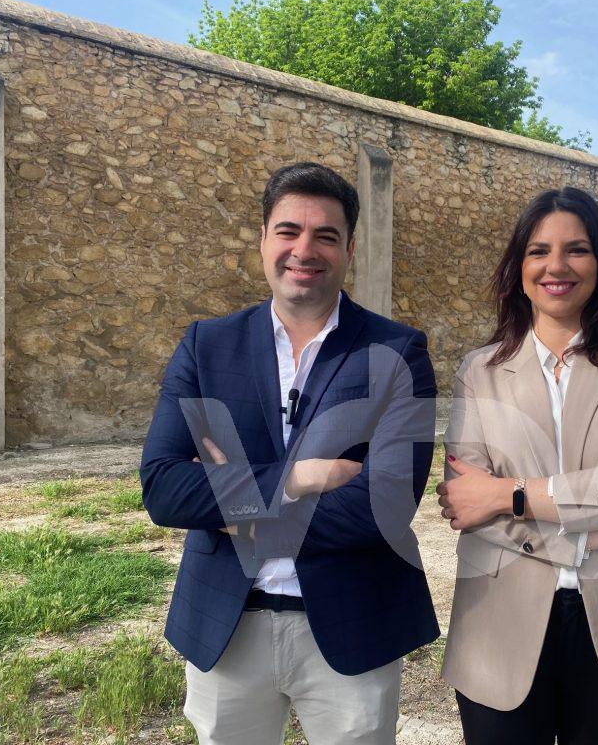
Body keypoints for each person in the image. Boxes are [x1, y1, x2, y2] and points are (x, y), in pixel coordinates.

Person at [140, 162, 439, 745]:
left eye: (325, 235)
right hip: (227, 623)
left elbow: (384, 506)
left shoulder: (397, 351)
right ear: (262, 239)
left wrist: (235, 510)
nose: (305, 250)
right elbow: (165, 488)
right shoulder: (206, 345)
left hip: (354, 623)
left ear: (349, 249)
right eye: (288, 231)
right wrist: (300, 477)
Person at [437, 187, 598, 744]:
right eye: (539, 251)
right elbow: (465, 501)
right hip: (499, 623)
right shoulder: (478, 373)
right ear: (519, 269)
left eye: (576, 249)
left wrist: (507, 495)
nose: (556, 266)